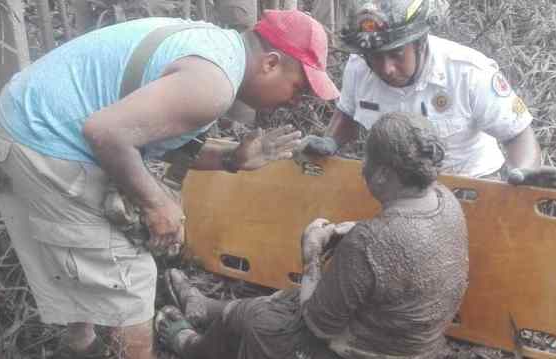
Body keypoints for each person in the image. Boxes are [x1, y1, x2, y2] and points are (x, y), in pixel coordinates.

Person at [0, 10, 338, 359]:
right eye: (299, 87)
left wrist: (232, 158)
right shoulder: (213, 85)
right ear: (271, 64)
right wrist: (158, 203)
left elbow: (149, 132)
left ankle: (80, 345)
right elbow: (107, 133)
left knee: (92, 259)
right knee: (130, 280)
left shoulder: (216, 47)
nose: (296, 101)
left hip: (24, 119)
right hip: (44, 139)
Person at [156, 111, 469, 359]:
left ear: (385, 174)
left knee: (259, 321)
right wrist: (355, 233)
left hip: (366, 350)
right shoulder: (446, 201)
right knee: (278, 303)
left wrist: (311, 256)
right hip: (416, 345)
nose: (363, 169)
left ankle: (191, 346)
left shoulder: (369, 243)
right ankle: (206, 309)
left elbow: (319, 325)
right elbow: (405, 248)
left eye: (367, 161)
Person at [302, 0, 556, 190]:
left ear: (420, 43)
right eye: (374, 57)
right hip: (398, 189)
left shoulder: (469, 72)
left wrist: (522, 171)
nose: (386, 69)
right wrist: (330, 141)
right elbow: (347, 113)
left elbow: (518, 134)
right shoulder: (358, 68)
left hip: (470, 185)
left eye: (397, 55)